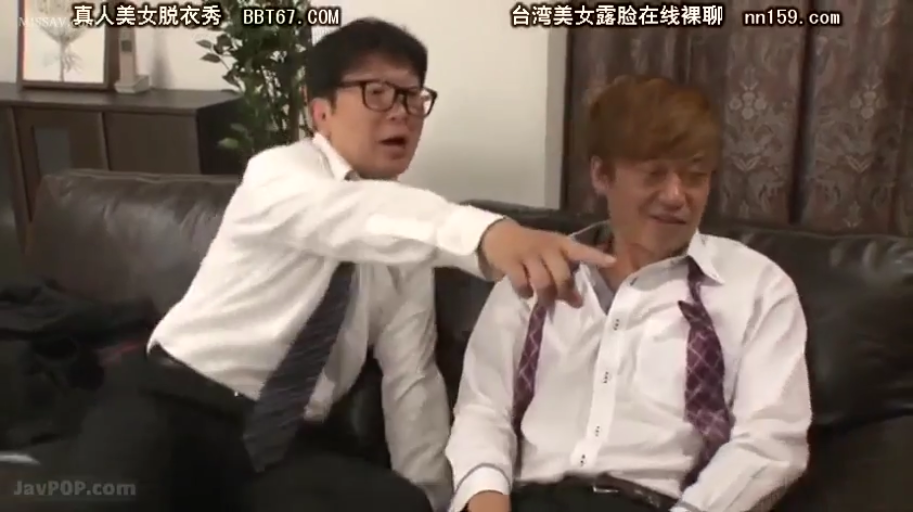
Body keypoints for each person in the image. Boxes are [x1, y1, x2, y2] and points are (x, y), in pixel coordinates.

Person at [54, 18, 615, 512]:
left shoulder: (406, 246)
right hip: (175, 401)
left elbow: (411, 381)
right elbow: (346, 214)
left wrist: (431, 496)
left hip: (279, 448)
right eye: (378, 92)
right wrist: (489, 232)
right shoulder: (280, 176)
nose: (401, 112)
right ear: (320, 111)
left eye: (413, 97)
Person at [446, 75, 812, 512]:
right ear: (602, 174)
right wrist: (487, 501)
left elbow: (770, 443)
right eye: (654, 174)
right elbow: (482, 409)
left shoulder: (756, 287)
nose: (676, 196)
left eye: (695, 176)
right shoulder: (534, 271)